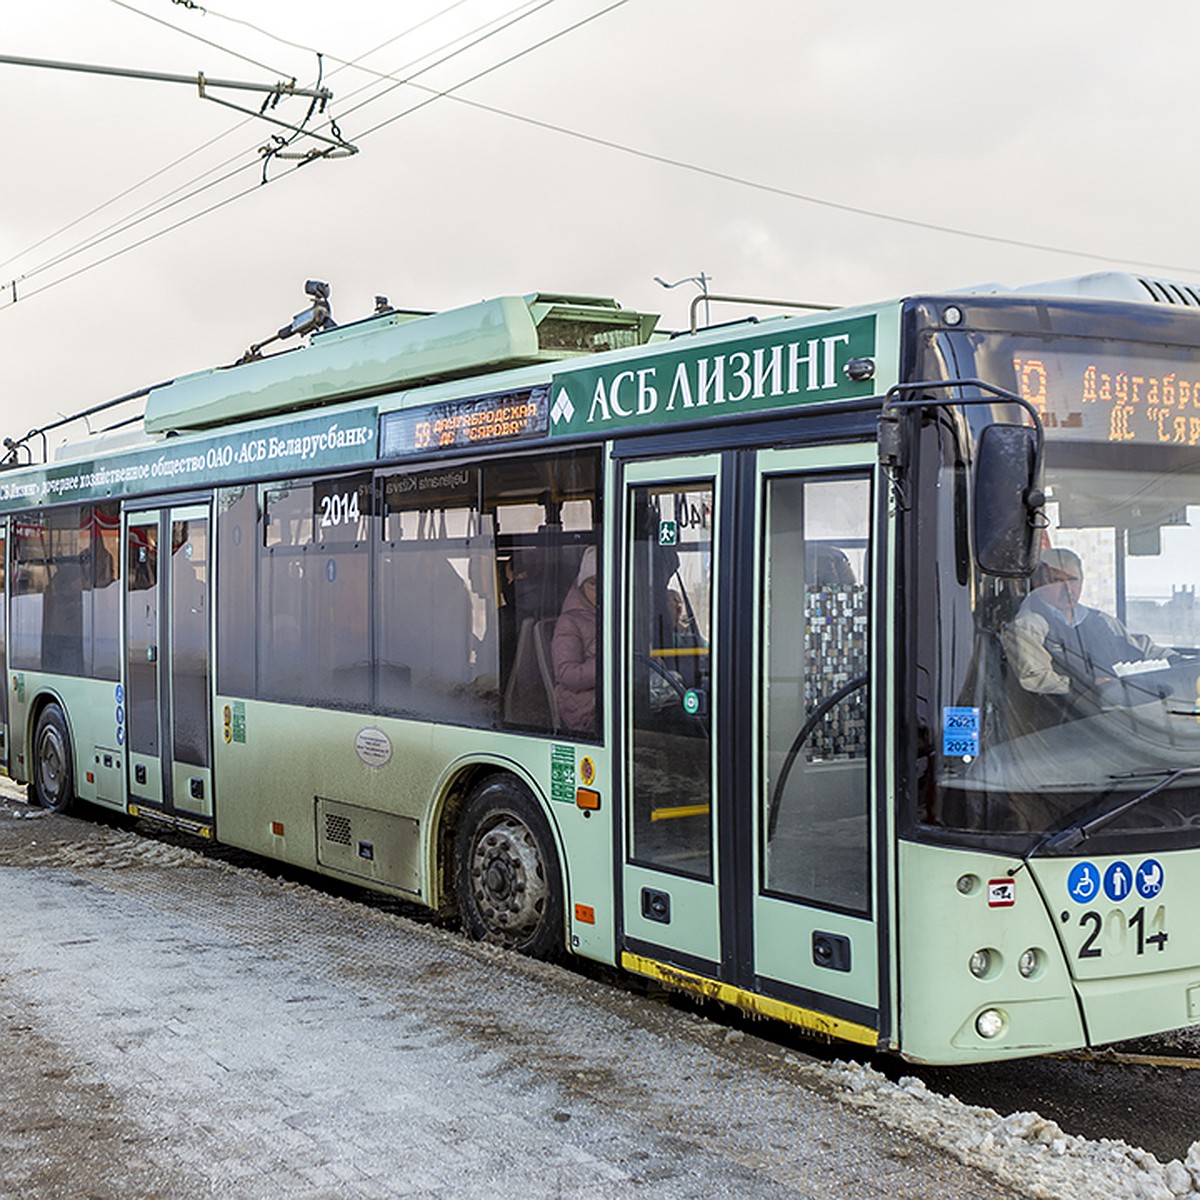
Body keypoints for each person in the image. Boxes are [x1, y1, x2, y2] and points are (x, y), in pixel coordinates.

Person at [1003, 547, 1171, 698]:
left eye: (1073, 580)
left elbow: (1136, 648)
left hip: (1115, 715)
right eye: (1057, 581)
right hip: (1061, 721)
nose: (1068, 589)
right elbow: (1034, 677)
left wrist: (1174, 660)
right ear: (1038, 584)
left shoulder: (1101, 621)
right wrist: (1085, 685)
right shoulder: (1029, 625)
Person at [551, 546, 598, 733]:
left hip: (615, 698)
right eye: (593, 583)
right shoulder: (569, 622)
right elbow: (566, 674)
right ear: (581, 585)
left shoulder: (615, 615)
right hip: (586, 708)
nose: (600, 589)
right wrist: (610, 666)